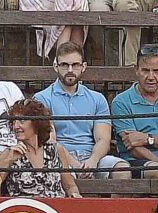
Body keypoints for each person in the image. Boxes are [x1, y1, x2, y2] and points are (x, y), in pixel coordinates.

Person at [34, 42, 116, 175]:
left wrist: (93, 161)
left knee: (121, 169)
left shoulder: (97, 99)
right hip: (60, 158)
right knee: (67, 174)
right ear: (56, 66)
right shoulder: (41, 99)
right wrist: (75, 165)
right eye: (65, 65)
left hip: (91, 157)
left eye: (75, 65)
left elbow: (103, 139)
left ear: (83, 67)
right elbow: (50, 140)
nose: (70, 70)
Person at [109, 43, 158, 174]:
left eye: (156, 71)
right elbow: (132, 146)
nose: (150, 77)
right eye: (145, 70)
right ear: (136, 69)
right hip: (136, 161)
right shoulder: (121, 102)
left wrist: (147, 139)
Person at [0, 100, 80, 198]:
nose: (16, 126)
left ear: (36, 123)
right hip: (23, 210)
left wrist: (75, 194)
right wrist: (9, 161)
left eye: (22, 121)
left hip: (54, 210)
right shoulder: (9, 153)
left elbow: (70, 186)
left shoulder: (56, 150)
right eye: (14, 122)